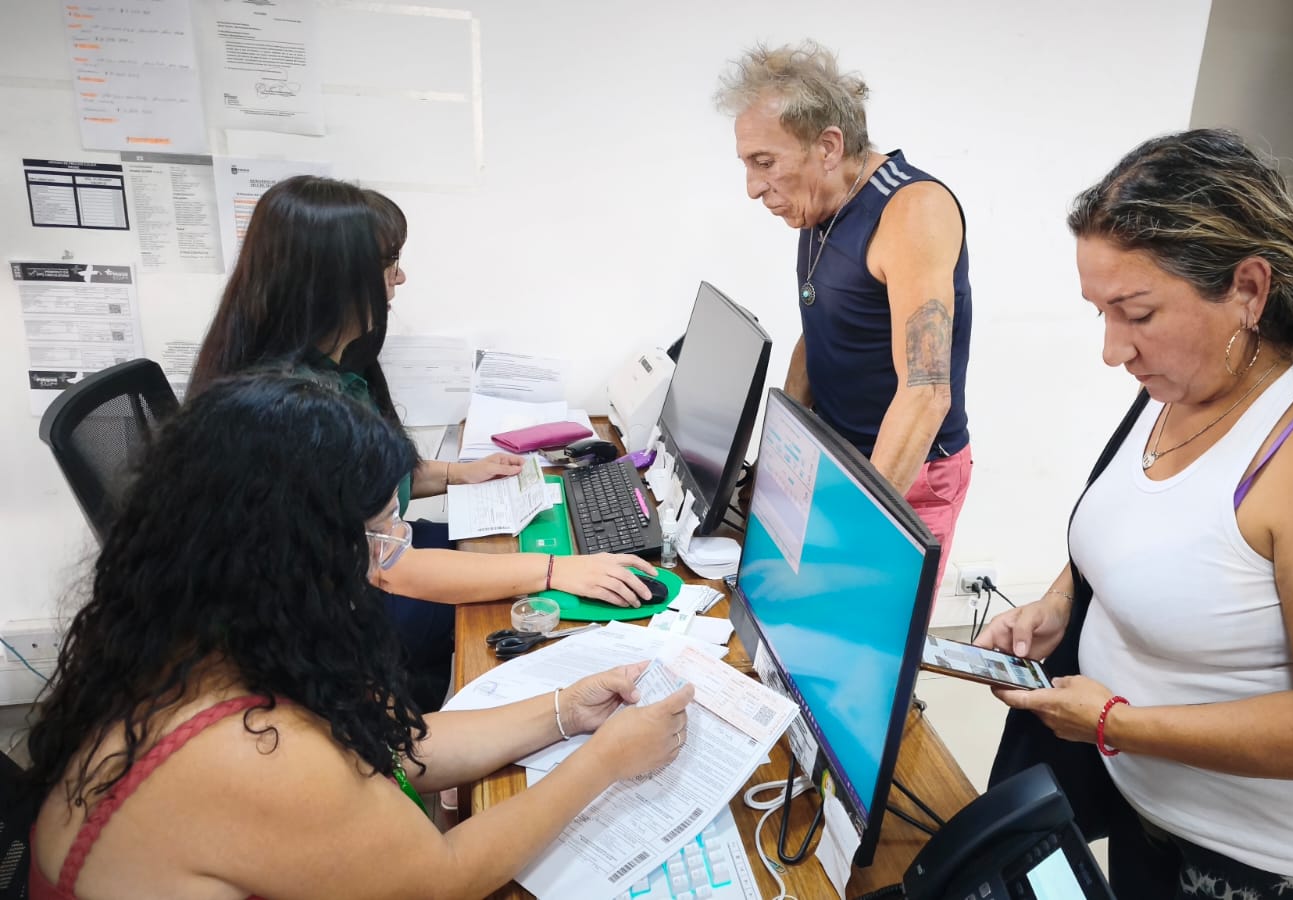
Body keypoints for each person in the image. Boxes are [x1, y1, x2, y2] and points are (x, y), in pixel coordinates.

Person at [980, 130, 1293, 899]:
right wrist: (1061, 603)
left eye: (1137, 312)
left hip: (1264, 857)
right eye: (1101, 313)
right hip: (1151, 802)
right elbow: (1146, 519)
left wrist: (1116, 723)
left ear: (1248, 289)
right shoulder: (1185, 378)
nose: (1113, 349)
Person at [27, 373, 694, 899]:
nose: (390, 555)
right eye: (377, 534)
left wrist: (564, 712)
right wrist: (605, 761)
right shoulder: (248, 747)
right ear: (298, 554)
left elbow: (398, 744)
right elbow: (443, 877)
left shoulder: (208, 635)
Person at [190, 175, 656, 709]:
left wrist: (459, 473)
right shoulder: (297, 412)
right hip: (334, 615)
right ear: (336, 280)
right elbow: (391, 567)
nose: (401, 277)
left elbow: (378, 487)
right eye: (390, 263)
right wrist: (558, 569)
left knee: (517, 559)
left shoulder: (335, 365)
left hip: (371, 565)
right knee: (530, 624)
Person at [715, 41, 974, 584]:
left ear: (827, 145)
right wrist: (774, 462)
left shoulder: (912, 210)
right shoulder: (820, 206)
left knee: (863, 640)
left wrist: (864, 528)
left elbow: (927, 392)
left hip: (908, 471)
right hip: (837, 458)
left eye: (765, 163)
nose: (753, 186)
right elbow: (819, 331)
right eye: (747, 164)